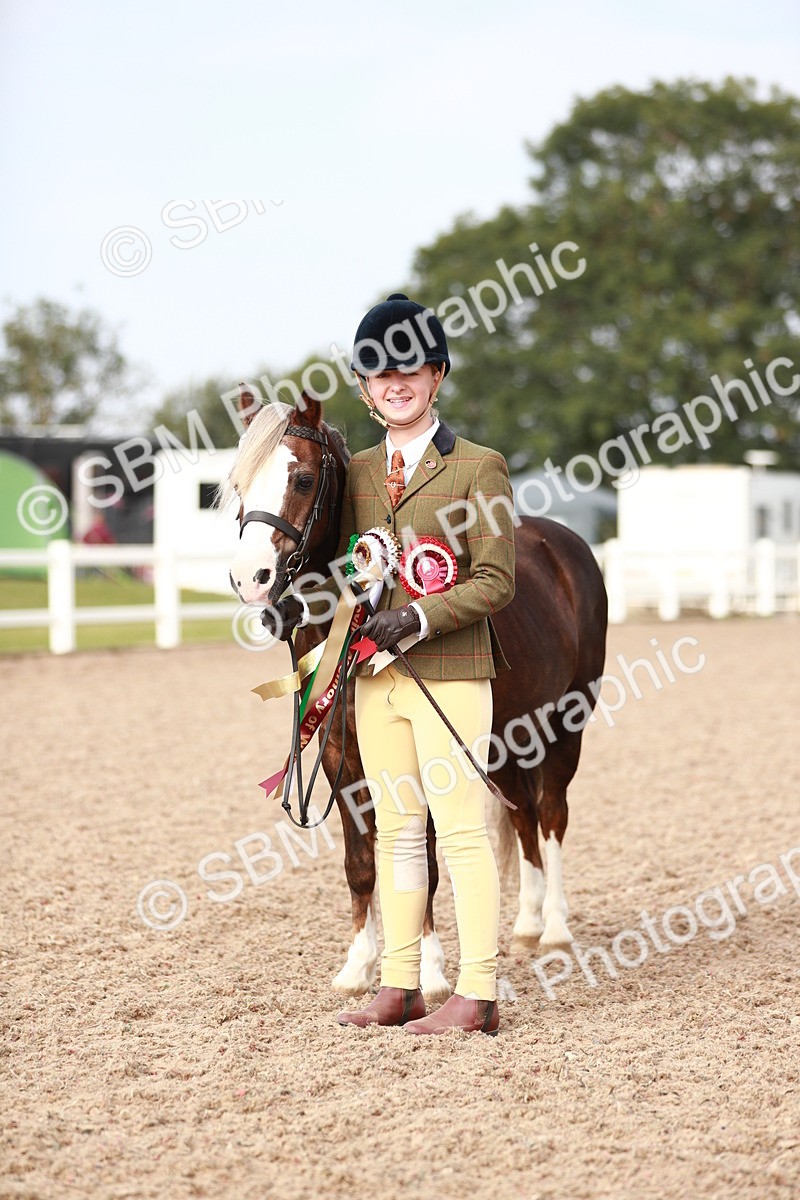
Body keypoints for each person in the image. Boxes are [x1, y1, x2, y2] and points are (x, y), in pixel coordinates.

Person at [265, 293, 516, 1035]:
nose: (396, 383)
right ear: (364, 387)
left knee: (459, 829)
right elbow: (344, 567)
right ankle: (400, 984)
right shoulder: (360, 473)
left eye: (411, 370)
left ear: (437, 376)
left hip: (452, 672)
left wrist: (419, 616)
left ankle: (477, 992)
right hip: (375, 679)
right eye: (380, 373)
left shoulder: (479, 467)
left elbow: (497, 579)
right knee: (396, 830)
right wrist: (294, 597)